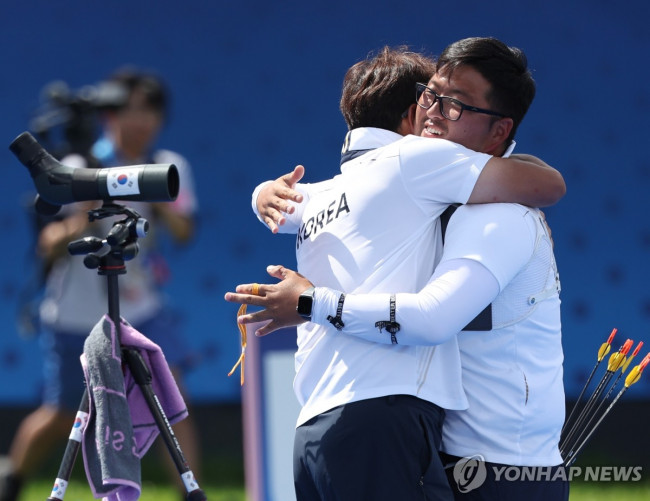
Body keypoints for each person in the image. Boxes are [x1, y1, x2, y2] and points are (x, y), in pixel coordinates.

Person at [225, 41, 566, 500]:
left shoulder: (498, 211)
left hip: (501, 469)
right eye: (430, 94)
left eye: (456, 104)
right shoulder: (419, 183)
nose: (434, 111)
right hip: (435, 451)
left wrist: (309, 300)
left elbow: (431, 318)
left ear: (499, 129)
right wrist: (264, 191)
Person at [0, 68, 201, 501]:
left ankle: (190, 492)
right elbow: (47, 246)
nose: (138, 120)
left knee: (171, 398)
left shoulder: (167, 167)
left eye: (148, 111)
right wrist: (87, 201)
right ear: (107, 116)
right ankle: (11, 480)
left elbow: (185, 233)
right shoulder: (77, 164)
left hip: (140, 306)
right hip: (75, 311)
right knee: (61, 413)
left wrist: (150, 190)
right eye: (127, 110)